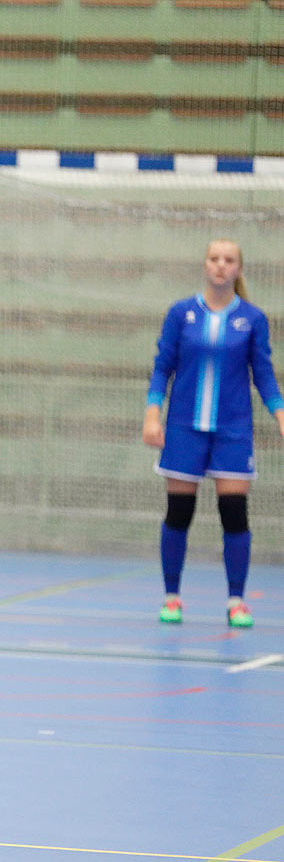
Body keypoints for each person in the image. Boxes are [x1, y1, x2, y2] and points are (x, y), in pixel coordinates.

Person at [142, 238, 284, 628]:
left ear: (239, 269)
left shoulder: (252, 319)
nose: (221, 266)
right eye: (214, 258)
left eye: (229, 260)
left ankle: (236, 601)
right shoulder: (181, 313)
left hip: (233, 431)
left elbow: (265, 375)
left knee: (234, 514)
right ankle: (172, 597)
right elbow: (162, 367)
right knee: (179, 513)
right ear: (204, 265)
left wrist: (280, 414)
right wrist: (152, 416)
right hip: (184, 428)